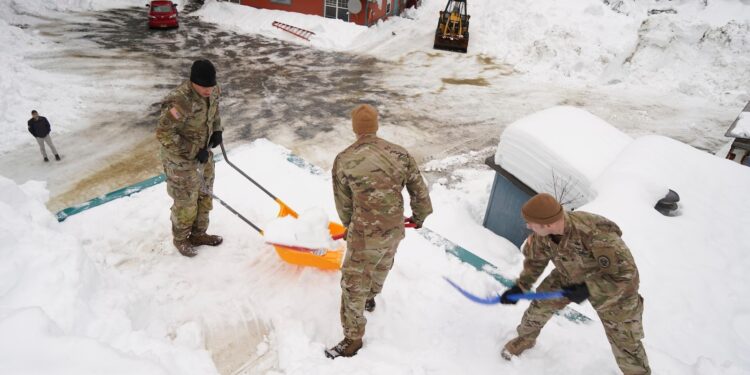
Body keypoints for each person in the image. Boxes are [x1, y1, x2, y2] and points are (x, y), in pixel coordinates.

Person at [325, 104, 433, 359]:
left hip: (364, 234)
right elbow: (420, 192)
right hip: (394, 228)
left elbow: (343, 203)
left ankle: (352, 340)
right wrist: (419, 217)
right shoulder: (400, 154)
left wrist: (351, 226)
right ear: (376, 125)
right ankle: (371, 297)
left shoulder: (344, 159)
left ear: (355, 129)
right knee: (383, 264)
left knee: (352, 284)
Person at [499, 193, 651, 374]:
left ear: (547, 224)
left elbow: (627, 276)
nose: (527, 226)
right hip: (568, 276)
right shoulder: (543, 235)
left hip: (613, 290)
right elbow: (536, 261)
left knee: (626, 342)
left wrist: (589, 289)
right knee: (539, 306)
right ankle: (525, 339)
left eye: (531, 223)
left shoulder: (596, 234)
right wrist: (521, 286)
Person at [156, 59, 224, 257]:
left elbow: (215, 111)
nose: (209, 91)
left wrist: (218, 130)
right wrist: (194, 151)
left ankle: (198, 234)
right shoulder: (179, 101)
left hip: (204, 155)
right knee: (186, 201)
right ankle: (181, 239)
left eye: (211, 86)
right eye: (204, 87)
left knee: (205, 195)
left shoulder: (212, 90)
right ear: (193, 81)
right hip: (180, 160)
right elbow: (164, 134)